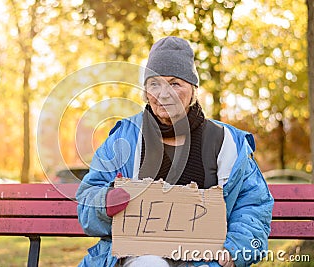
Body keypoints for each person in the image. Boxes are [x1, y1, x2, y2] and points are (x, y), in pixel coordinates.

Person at [76, 36, 274, 267]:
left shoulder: (226, 142)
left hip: (204, 259)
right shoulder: (124, 138)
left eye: (175, 83)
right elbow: (87, 203)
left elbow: (253, 205)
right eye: (154, 84)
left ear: (193, 89)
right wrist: (104, 203)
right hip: (137, 256)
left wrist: (232, 252)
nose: (163, 93)